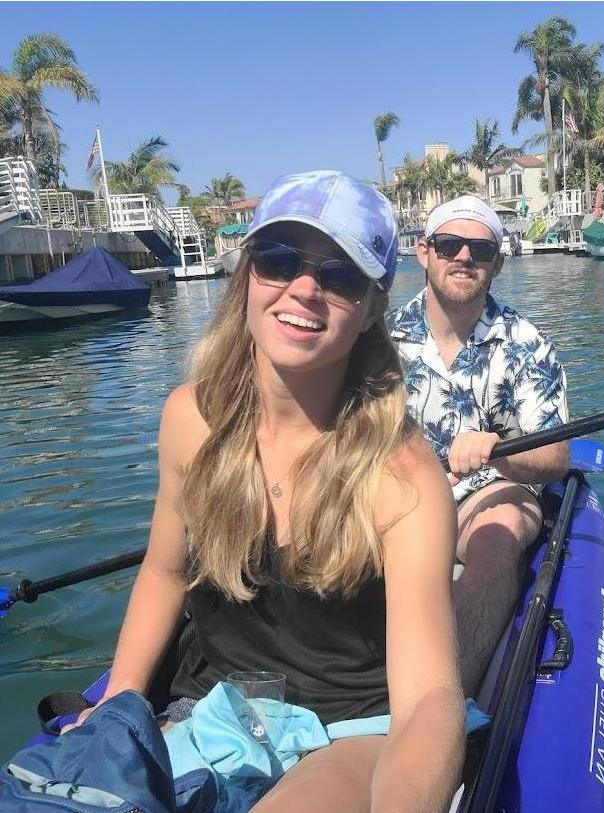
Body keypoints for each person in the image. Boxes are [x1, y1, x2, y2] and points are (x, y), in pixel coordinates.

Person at [66, 171, 465, 813]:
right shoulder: (188, 422)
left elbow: (427, 699)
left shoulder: (404, 479)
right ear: (248, 277)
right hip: (211, 708)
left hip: (347, 730)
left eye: (339, 276)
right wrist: (119, 706)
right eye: (279, 260)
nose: (304, 288)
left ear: (370, 310)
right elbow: (166, 574)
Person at [387, 195, 570, 697]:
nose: (464, 257)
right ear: (424, 252)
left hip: (487, 492)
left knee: (501, 531)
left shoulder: (528, 344)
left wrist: (499, 450)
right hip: (394, 492)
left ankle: (444, 703)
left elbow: (555, 458)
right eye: (450, 244)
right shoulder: (378, 340)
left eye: (481, 249)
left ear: (497, 263)